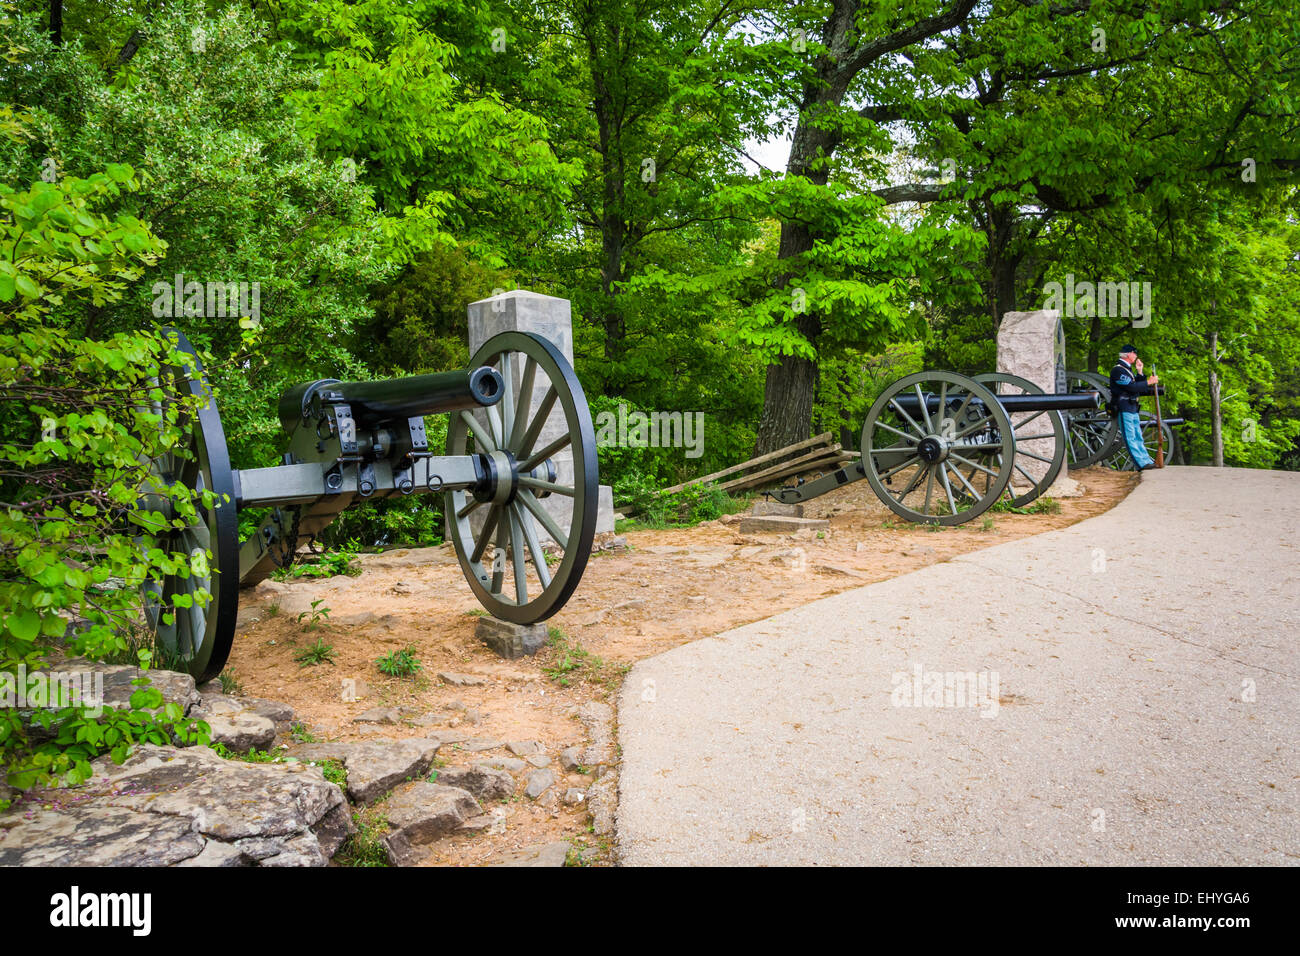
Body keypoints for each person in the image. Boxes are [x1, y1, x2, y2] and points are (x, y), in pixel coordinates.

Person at [1109, 344, 1160, 470]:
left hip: (1132, 407)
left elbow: (1136, 384)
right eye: (1134, 352)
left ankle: (1146, 460)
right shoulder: (1118, 370)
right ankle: (1141, 464)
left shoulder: (1127, 369)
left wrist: (1140, 372)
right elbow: (1131, 387)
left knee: (1138, 436)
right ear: (1128, 354)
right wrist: (1149, 382)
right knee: (1130, 437)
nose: (1136, 355)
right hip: (1124, 406)